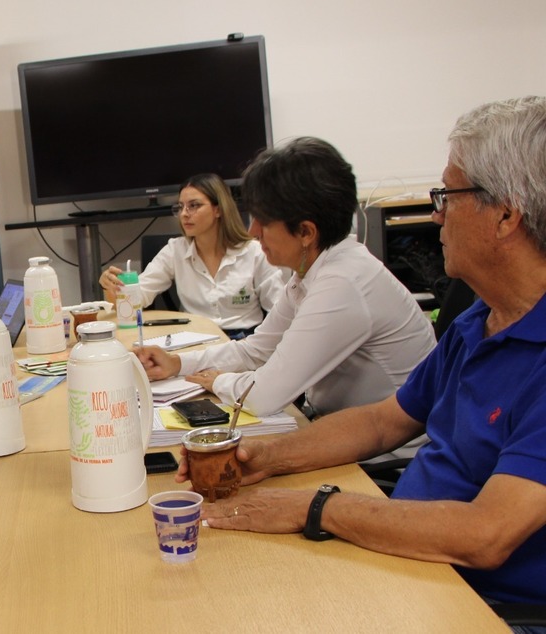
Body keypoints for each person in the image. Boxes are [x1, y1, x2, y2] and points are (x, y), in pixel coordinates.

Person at [183, 96, 546, 611]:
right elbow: (383, 422)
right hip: (414, 558)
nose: (435, 214)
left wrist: (319, 507)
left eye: (447, 196)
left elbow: (486, 534)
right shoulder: (477, 324)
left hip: (481, 604)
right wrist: (258, 459)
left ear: (506, 214)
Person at [138, 138, 436, 460]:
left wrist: (220, 381)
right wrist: (179, 363)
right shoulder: (312, 271)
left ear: (306, 232)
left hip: (385, 460)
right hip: (338, 430)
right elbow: (256, 350)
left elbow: (264, 395)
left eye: (263, 221)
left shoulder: (343, 282)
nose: (253, 232)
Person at [99, 173, 286, 339]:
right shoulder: (175, 250)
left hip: (244, 340)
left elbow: (281, 311)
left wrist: (258, 345)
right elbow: (138, 298)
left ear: (218, 209)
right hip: (195, 339)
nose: (184, 214)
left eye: (194, 206)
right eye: (180, 207)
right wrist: (114, 287)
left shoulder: (254, 252)